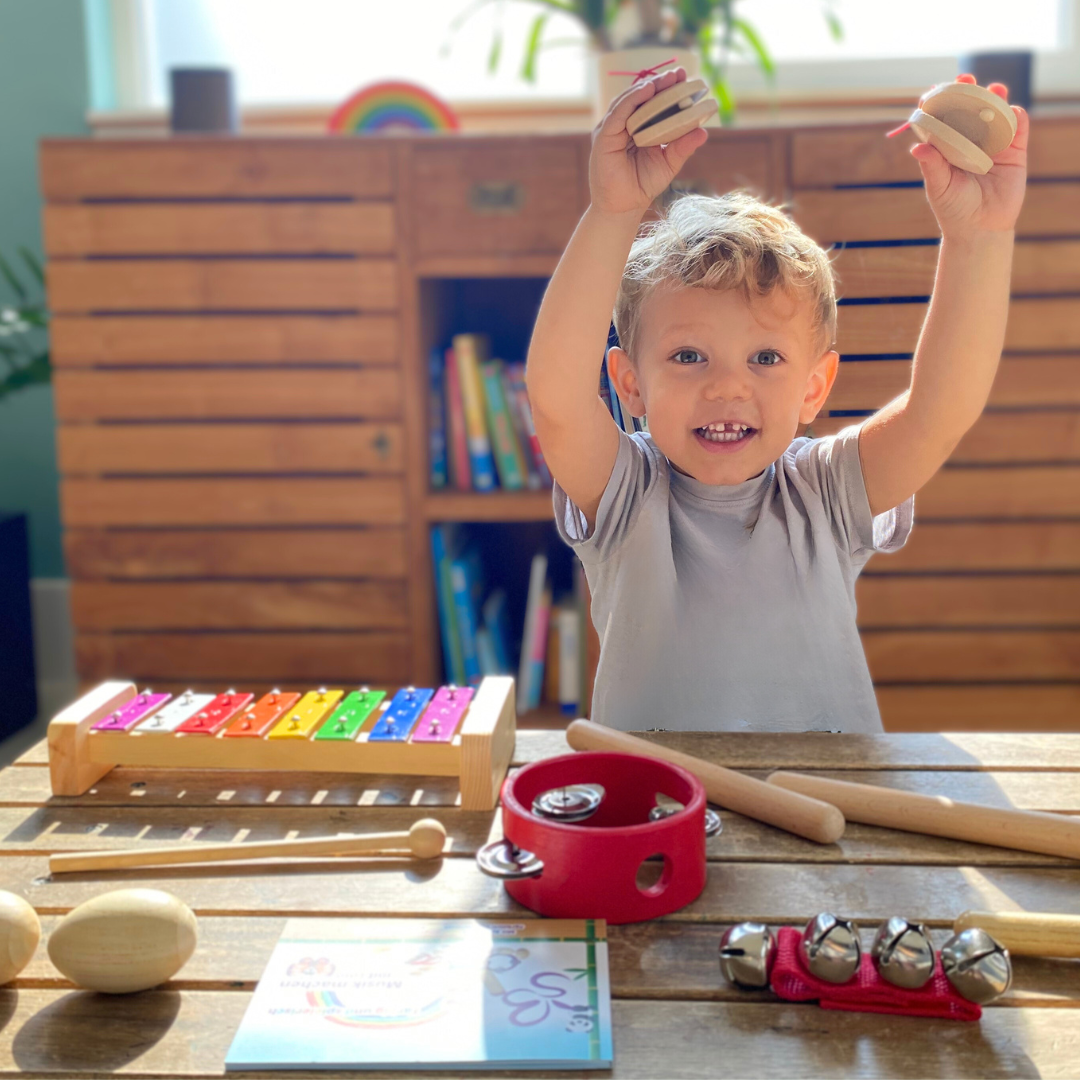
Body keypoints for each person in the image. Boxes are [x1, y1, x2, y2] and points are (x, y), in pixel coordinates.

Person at [525, 68, 1028, 733]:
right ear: (630, 385)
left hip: (828, 817)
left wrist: (979, 239)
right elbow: (557, 400)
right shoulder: (625, 493)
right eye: (688, 356)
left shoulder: (822, 490)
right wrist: (614, 210)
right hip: (661, 814)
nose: (728, 386)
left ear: (814, 387)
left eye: (765, 359)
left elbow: (940, 413)